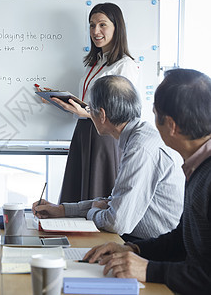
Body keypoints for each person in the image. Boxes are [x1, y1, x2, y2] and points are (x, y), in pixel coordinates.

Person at [83, 69, 211, 294]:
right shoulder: (198, 166)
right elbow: (183, 238)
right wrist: (133, 248)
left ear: (171, 125)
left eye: (154, 113)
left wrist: (150, 270)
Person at [33, 75, 184, 241]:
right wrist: (62, 210)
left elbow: (116, 222)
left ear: (102, 115)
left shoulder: (140, 149)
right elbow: (113, 202)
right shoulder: (138, 137)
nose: (89, 113)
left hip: (154, 248)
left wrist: (93, 212)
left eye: (90, 109)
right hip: (143, 240)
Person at [45, 3, 139, 203]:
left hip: (104, 137)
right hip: (84, 131)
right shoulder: (96, 63)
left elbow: (123, 114)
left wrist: (85, 112)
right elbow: (91, 102)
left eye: (102, 25)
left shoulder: (125, 65)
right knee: (77, 195)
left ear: (117, 27)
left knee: (97, 195)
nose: (96, 31)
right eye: (91, 25)